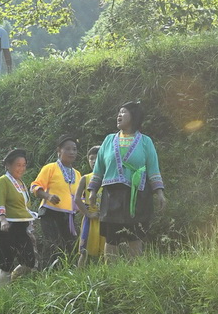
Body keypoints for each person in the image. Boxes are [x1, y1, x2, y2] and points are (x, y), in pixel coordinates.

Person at [88, 101, 166, 261]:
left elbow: (153, 168)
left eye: (123, 112)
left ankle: (133, 275)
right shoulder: (109, 140)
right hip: (111, 196)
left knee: (135, 236)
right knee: (111, 238)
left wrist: (160, 193)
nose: (119, 115)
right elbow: (99, 168)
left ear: (134, 116)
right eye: (118, 112)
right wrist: (93, 191)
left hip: (137, 195)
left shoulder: (145, 142)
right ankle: (111, 274)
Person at [30, 135, 82, 267]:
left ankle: (70, 273)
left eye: (74, 149)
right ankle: (51, 273)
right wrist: (48, 197)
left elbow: (80, 196)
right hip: (50, 213)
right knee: (54, 245)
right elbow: (35, 187)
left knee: (71, 246)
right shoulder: (50, 168)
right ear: (59, 150)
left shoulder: (77, 174)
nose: (72, 152)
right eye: (68, 149)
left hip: (69, 216)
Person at [0, 148, 37, 286]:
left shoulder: (21, 183)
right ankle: (6, 296)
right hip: (4, 226)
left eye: (24, 165)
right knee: (6, 262)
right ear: (8, 165)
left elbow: (23, 207)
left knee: (29, 260)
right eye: (18, 165)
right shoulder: (2, 181)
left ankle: (13, 281)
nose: (21, 168)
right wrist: (3, 220)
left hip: (20, 226)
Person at [74, 145, 105, 266]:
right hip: (90, 219)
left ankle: (106, 275)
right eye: (91, 158)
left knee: (106, 250)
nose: (94, 161)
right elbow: (77, 199)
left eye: (97, 158)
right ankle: (79, 275)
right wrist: (88, 214)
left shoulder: (108, 178)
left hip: (105, 218)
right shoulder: (85, 178)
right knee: (84, 250)